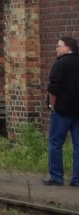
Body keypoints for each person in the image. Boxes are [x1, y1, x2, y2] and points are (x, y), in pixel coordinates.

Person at [44, 35, 79, 186]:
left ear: (68, 47)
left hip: (62, 111)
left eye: (59, 46)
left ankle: (57, 177)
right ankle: (77, 179)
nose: (56, 49)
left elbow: (53, 89)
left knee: (55, 143)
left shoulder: (60, 64)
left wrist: (52, 106)